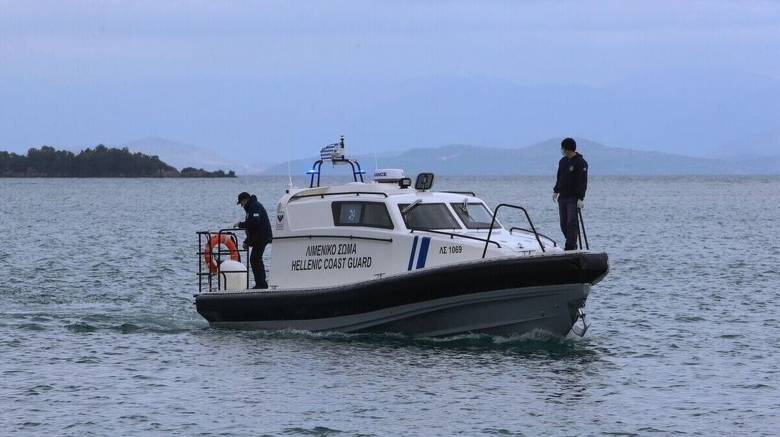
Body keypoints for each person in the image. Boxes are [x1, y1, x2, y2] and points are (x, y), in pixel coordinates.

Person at [553, 138, 588, 251]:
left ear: (568, 149)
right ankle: (571, 243)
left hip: (573, 198)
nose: (562, 150)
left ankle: (570, 246)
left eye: (563, 148)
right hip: (562, 197)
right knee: (563, 224)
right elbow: (559, 177)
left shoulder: (581, 162)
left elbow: (583, 181)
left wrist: (581, 198)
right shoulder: (562, 161)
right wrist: (556, 190)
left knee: (571, 223)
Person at [234, 192, 273, 289]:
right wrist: (247, 241)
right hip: (258, 236)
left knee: (255, 259)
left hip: (262, 237)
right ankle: (261, 284)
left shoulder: (255, 207)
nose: (241, 205)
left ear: (245, 199)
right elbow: (252, 229)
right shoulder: (251, 207)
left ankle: (261, 284)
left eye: (241, 202)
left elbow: (255, 223)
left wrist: (240, 224)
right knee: (256, 259)